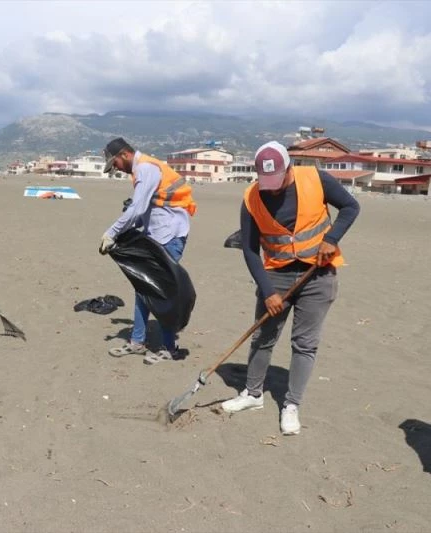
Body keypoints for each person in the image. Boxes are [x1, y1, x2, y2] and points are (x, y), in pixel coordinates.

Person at [221, 141, 360, 436]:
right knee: (263, 336)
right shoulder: (251, 197)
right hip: (277, 276)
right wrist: (268, 290)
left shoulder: (316, 179)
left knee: (304, 344)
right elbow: (248, 249)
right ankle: (253, 394)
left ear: (289, 168)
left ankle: (292, 404)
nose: (271, 189)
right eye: (265, 182)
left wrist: (332, 238)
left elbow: (351, 207)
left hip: (318, 275)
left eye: (277, 181)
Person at [100, 137, 197, 365]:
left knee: (162, 292)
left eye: (115, 164)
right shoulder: (141, 170)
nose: (116, 169)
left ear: (124, 154)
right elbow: (144, 212)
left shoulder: (145, 169)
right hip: (157, 234)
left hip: (171, 235)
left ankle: (169, 347)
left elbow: (138, 207)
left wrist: (112, 232)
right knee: (143, 286)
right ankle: (137, 341)